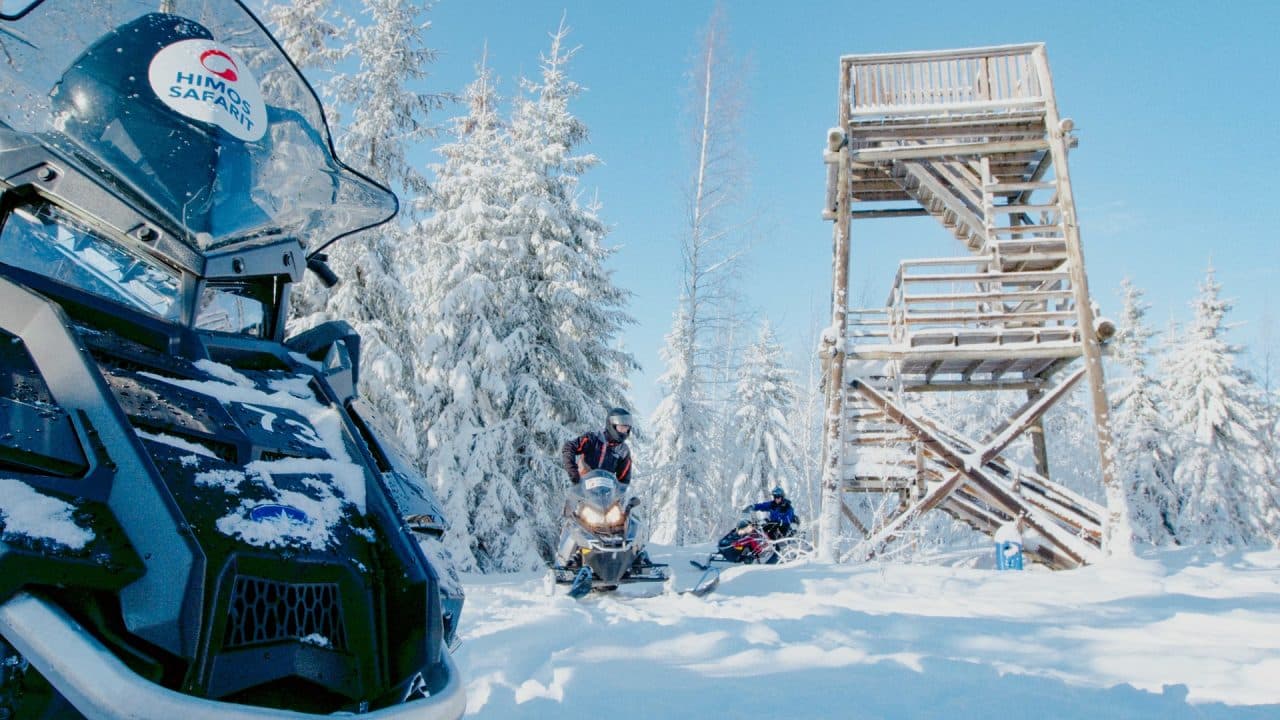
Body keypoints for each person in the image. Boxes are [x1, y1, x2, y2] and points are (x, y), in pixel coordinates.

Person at [562, 407, 633, 485]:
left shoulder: (623, 451)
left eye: (626, 428)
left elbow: (624, 480)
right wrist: (573, 472)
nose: (624, 431)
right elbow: (569, 447)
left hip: (605, 492)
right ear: (612, 425)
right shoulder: (594, 438)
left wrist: (619, 492)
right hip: (582, 486)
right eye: (621, 427)